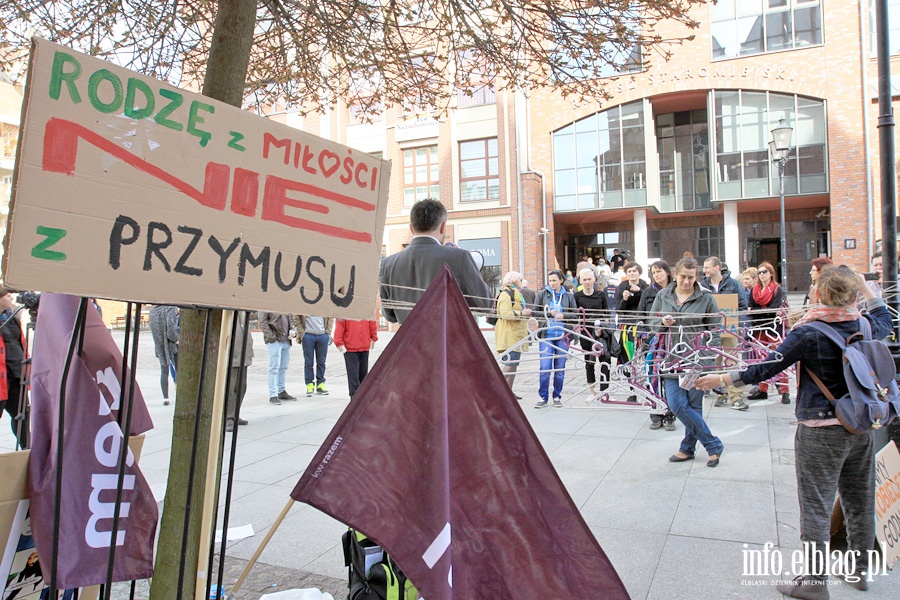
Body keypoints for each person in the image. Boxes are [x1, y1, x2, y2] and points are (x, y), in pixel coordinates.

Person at [695, 266, 890, 599]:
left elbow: (767, 367)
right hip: (860, 426)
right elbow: (884, 318)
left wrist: (724, 379)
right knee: (859, 500)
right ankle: (859, 570)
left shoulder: (809, 331)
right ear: (851, 294)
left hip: (820, 431)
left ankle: (815, 583)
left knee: (815, 505)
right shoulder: (863, 323)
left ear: (821, 294)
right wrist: (866, 291)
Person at [648, 257, 724, 467]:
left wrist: (708, 358)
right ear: (676, 274)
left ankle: (687, 448)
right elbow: (650, 322)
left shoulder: (706, 298)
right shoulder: (663, 295)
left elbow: (716, 330)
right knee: (676, 403)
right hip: (670, 359)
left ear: (696, 277)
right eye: (683, 277)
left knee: (694, 406)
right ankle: (713, 444)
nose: (686, 281)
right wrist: (662, 323)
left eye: (691, 278)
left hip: (696, 360)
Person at [379, 198, 491, 324]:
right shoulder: (459, 257)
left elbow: (389, 315)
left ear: (411, 228)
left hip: (410, 343)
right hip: (447, 343)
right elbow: (484, 305)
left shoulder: (388, 264)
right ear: (443, 226)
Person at [700, 256, 749, 410]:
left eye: (707, 267)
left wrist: (735, 321)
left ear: (717, 268)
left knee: (732, 362)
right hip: (712, 331)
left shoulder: (733, 284)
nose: (704, 270)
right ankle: (722, 393)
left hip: (730, 330)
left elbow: (742, 306)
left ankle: (736, 396)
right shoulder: (702, 285)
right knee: (718, 363)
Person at [637, 261, 676, 431]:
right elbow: (642, 315)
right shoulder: (648, 291)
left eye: (659, 271)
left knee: (670, 378)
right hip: (653, 339)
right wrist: (644, 334)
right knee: (652, 377)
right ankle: (655, 413)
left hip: (672, 340)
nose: (656, 275)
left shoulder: (676, 291)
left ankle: (669, 415)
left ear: (667, 272)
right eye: (653, 272)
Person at [747, 261, 790, 404]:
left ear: (771, 273)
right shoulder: (755, 291)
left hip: (773, 329)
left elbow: (773, 308)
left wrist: (759, 312)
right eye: (759, 272)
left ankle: (785, 391)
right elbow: (751, 309)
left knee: (778, 357)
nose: (761, 275)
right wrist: (764, 312)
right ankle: (762, 389)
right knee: (760, 359)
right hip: (759, 329)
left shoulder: (777, 290)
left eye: (764, 272)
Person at [535, 269, 576, 408]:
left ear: (561, 281)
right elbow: (535, 312)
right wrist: (548, 313)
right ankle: (543, 397)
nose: (552, 283)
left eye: (554, 280)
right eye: (550, 280)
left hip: (563, 335)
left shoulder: (569, 296)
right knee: (545, 367)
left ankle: (557, 396)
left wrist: (563, 316)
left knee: (559, 368)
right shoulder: (542, 294)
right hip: (546, 335)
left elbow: (575, 315)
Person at [573, 267, 611, 399]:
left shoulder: (600, 295)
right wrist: (577, 328)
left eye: (589, 279)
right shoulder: (576, 296)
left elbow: (606, 313)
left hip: (600, 332)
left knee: (605, 360)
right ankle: (592, 392)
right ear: (580, 281)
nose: (587, 282)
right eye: (584, 279)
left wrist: (605, 327)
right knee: (589, 362)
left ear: (594, 279)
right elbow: (574, 315)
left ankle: (604, 392)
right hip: (586, 332)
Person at [495, 271, 532, 398]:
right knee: (509, 364)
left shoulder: (516, 293)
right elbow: (505, 314)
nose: (522, 281)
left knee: (514, 365)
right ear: (514, 280)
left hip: (516, 335)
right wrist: (522, 313)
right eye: (520, 279)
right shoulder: (506, 294)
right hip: (509, 335)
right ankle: (497, 390)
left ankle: (509, 392)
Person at [615, 261, 648, 401]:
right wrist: (624, 299)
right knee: (628, 358)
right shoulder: (622, 287)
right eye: (629, 271)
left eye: (634, 271)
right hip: (627, 327)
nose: (632, 273)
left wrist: (639, 292)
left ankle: (645, 388)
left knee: (642, 357)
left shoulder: (645, 286)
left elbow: (647, 304)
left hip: (641, 327)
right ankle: (633, 390)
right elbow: (619, 309)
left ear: (639, 273)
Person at [0, 287, 29, 448]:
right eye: (6, 294)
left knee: (22, 415)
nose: (11, 297)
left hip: (17, 375)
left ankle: (26, 447)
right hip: (1, 377)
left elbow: (20, 343)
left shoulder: (12, 317)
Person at [259, 311, 297, 405]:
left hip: (286, 340)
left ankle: (281, 391)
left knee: (283, 367)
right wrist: (271, 337)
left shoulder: (285, 304)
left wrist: (293, 330)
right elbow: (263, 322)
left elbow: (291, 320)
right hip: (274, 340)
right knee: (274, 368)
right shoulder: (266, 304)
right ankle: (273, 394)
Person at [334, 318, 378, 398]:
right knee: (353, 376)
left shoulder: (365, 309)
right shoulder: (346, 309)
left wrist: (373, 337)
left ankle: (363, 397)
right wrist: (339, 342)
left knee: (363, 375)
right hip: (350, 349)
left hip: (364, 347)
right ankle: (354, 398)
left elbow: (372, 321)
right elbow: (339, 324)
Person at [225, 311, 253, 432]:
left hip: (243, 355)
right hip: (233, 356)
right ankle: (228, 417)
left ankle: (235, 414)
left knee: (241, 387)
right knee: (230, 388)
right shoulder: (228, 312)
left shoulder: (242, 312)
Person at [295, 315, 334, 396]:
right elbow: (296, 317)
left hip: (322, 335)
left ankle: (320, 384)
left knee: (321, 362)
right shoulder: (305, 303)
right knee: (308, 362)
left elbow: (330, 316)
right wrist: (302, 333)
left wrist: (328, 332)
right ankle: (309, 384)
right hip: (308, 335)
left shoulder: (324, 304)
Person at [148, 304, 178, 405]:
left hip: (159, 344)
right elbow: (170, 328)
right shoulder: (170, 308)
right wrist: (177, 339)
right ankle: (179, 394)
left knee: (164, 371)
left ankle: (165, 397)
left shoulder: (152, 312)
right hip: (172, 345)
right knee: (179, 369)